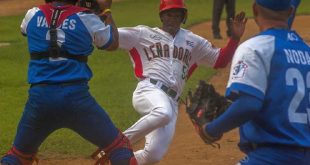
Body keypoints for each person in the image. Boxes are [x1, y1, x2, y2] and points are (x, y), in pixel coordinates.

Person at [0, 0, 137, 165]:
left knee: (18, 156)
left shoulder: (32, 13)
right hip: (76, 99)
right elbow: (112, 43)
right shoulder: (86, 17)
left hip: (40, 99)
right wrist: (105, 12)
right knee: (119, 149)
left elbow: (25, 30)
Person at [111, 0, 247, 164]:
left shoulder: (193, 42)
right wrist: (103, 15)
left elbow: (220, 60)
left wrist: (235, 38)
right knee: (162, 112)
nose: (173, 19)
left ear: (183, 18)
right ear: (162, 16)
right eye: (169, 14)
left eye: (177, 15)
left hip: (172, 101)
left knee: (153, 155)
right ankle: (114, 145)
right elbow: (109, 37)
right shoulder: (143, 34)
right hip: (148, 90)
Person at [202, 0, 310, 164]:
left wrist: (211, 130)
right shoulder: (306, 51)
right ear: (290, 12)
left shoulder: (255, 47)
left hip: (271, 157)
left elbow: (248, 104)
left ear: (254, 9)